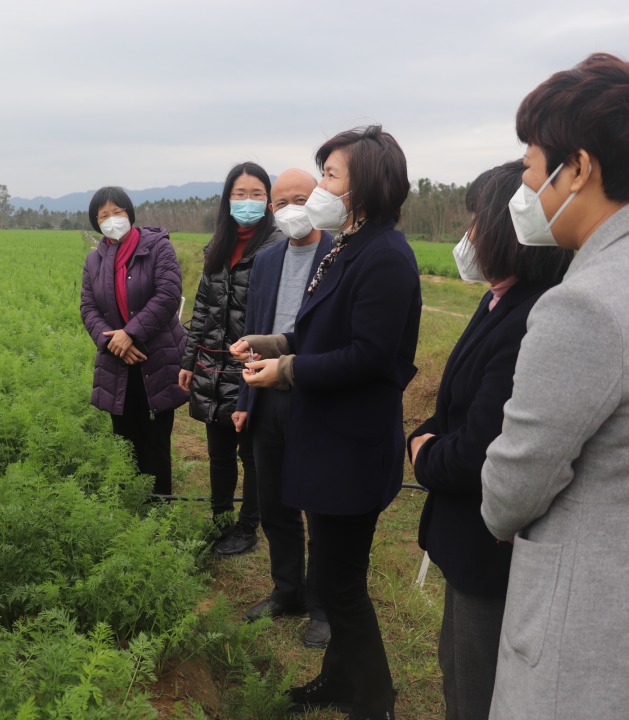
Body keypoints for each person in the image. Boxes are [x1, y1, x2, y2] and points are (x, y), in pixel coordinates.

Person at [480, 54, 629, 719]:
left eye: (531, 169)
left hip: (592, 650)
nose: (525, 189)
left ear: (579, 169)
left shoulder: (583, 306)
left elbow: (510, 493)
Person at [235, 126, 420, 720]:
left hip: (352, 446)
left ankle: (373, 700)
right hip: (330, 439)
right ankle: (339, 680)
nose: (320, 188)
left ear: (364, 186)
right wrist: (272, 343)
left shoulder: (386, 256)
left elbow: (369, 355)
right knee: (337, 573)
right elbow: (319, 331)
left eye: (331, 176)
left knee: (340, 584)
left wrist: (285, 369)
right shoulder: (348, 245)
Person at [406, 160, 572, 720]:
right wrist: (430, 430)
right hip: (463, 537)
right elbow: (458, 401)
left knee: (477, 688)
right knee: (456, 667)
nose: (468, 235)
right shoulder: (498, 296)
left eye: (477, 220)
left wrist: (424, 451)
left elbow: (482, 448)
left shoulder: (535, 313)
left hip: (490, 548)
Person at [236, 168, 333, 649]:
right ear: (272, 211)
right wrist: (243, 399)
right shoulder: (268, 258)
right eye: (282, 202)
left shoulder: (340, 254)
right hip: (266, 396)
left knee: (318, 504)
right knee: (273, 502)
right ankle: (286, 591)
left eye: (301, 198)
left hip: (315, 395)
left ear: (318, 198)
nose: (291, 208)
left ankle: (322, 605)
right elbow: (254, 330)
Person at [179, 162, 283, 556]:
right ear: (227, 199)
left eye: (257, 194)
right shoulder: (218, 243)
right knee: (218, 451)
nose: (247, 201)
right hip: (211, 363)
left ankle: (248, 527)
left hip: (254, 363)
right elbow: (203, 308)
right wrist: (188, 361)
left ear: (268, 200)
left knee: (251, 453)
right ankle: (220, 521)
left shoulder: (277, 246)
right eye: (239, 194)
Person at [80, 186, 189, 495]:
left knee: (155, 439)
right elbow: (88, 308)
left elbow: (167, 296)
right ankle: (133, 509)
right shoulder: (94, 261)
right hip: (117, 363)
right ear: (95, 222)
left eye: (118, 212)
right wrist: (114, 343)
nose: (112, 219)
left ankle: (158, 515)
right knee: (125, 442)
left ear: (130, 213)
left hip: (156, 358)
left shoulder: (157, 247)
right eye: (104, 215)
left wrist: (131, 334)